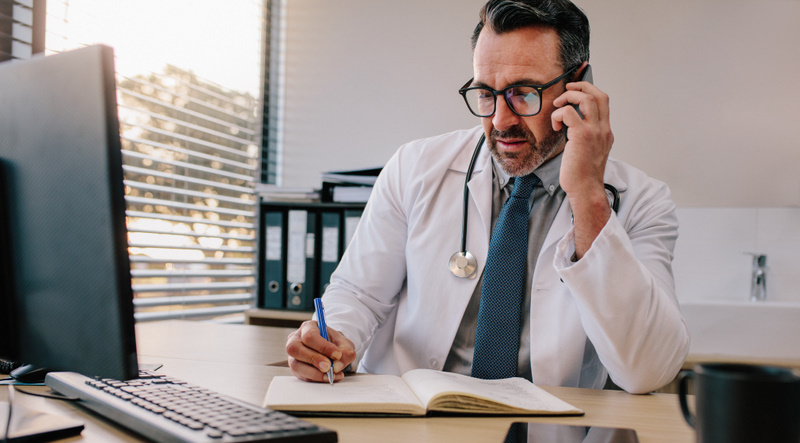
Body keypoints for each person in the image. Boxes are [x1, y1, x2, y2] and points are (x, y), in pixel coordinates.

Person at [285, 0, 689, 394]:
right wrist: (332, 339)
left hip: (548, 442)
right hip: (411, 431)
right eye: (485, 93)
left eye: (523, 93)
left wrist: (587, 196)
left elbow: (648, 370)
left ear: (578, 84)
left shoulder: (640, 202)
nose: (500, 120)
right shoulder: (415, 167)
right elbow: (359, 295)